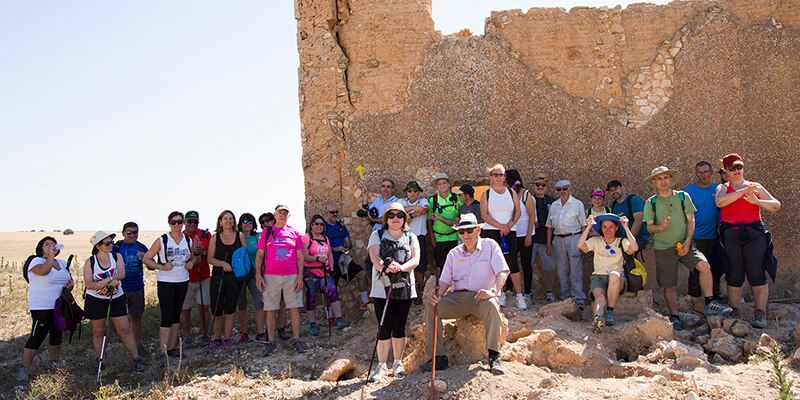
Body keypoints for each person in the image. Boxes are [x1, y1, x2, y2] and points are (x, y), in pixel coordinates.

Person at [643, 166, 732, 331]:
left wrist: (687, 242)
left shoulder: (683, 197)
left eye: (666, 177)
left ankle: (709, 303)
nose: (663, 181)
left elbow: (691, 221)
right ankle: (675, 317)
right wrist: (659, 227)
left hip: (685, 244)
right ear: (654, 182)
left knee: (704, 266)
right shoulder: (651, 202)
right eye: (659, 178)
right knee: (669, 285)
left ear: (671, 179)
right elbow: (649, 227)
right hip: (663, 249)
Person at [421, 213, 509, 374]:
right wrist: (438, 294)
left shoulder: (490, 246)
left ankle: (494, 357)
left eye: (469, 230)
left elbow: (503, 271)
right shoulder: (453, 253)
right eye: (462, 231)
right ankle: (438, 357)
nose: (465, 235)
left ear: (478, 230)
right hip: (458, 298)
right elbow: (445, 280)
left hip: (481, 297)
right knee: (432, 306)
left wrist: (493, 291)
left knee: (491, 305)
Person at [715, 154, 781, 328]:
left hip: (754, 232)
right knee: (734, 272)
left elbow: (776, 205)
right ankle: (734, 311)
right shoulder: (723, 188)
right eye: (732, 168)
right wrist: (743, 192)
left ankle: (760, 313)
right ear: (726, 171)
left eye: (739, 167)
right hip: (731, 234)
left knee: (756, 272)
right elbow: (720, 202)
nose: (737, 171)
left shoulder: (755, 186)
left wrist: (757, 201)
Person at [366, 202, 420, 381]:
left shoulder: (411, 237)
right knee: (384, 326)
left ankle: (397, 363)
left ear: (404, 218)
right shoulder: (377, 235)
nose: (395, 218)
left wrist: (401, 268)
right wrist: (385, 267)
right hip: (382, 288)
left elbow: (416, 259)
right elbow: (374, 256)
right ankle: (381, 365)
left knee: (399, 326)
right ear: (386, 219)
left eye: (399, 215)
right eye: (391, 215)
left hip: (404, 288)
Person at [84, 231, 146, 370]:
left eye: (111, 242)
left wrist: (109, 280)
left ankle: (136, 359)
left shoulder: (117, 256)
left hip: (116, 297)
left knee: (124, 329)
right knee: (98, 332)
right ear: (98, 246)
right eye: (107, 243)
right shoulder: (90, 262)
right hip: (96, 300)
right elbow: (88, 284)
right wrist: (107, 282)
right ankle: (101, 361)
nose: (110, 245)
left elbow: (122, 274)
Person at [17, 237, 76, 381]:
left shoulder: (62, 263)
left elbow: (68, 280)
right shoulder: (36, 261)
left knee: (56, 334)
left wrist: (70, 286)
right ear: (40, 249)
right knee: (38, 335)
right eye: (47, 244)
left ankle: (54, 363)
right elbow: (43, 271)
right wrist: (50, 256)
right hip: (41, 306)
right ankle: (25, 368)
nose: (51, 246)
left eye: (53, 244)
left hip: (59, 306)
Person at [255, 205, 307, 355]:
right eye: (280, 213)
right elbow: (259, 255)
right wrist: (258, 275)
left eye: (285, 213)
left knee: (294, 307)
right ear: (275, 215)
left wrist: (300, 276)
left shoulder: (294, 233)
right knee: (270, 308)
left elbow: (300, 256)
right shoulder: (267, 232)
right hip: (271, 276)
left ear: (288, 216)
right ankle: (271, 341)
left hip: (292, 276)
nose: (283, 215)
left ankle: (296, 339)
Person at [143, 212, 194, 359]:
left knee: (176, 315)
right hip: (166, 281)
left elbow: (192, 258)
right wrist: (161, 267)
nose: (177, 225)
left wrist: (191, 263)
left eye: (179, 222)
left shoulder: (188, 240)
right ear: (169, 223)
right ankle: (163, 352)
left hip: (182, 280)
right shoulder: (162, 240)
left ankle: (171, 348)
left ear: (183, 223)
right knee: (167, 315)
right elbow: (146, 259)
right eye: (173, 222)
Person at [577, 214, 638, 332]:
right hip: (598, 277)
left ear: (616, 228)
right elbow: (580, 245)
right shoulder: (596, 241)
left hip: (617, 279)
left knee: (614, 275)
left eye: (611, 227)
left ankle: (609, 312)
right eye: (604, 227)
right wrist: (589, 226)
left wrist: (626, 227)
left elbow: (634, 248)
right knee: (600, 298)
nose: (608, 230)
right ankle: (598, 319)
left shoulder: (621, 241)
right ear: (601, 228)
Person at [480, 164, 522, 308]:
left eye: (502, 174)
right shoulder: (486, 194)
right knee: (494, 263)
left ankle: (519, 295)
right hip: (491, 231)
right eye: (496, 175)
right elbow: (484, 214)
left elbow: (518, 212)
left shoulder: (511, 192)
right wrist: (500, 226)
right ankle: (500, 293)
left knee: (512, 262)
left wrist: (509, 225)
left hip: (509, 231)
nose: (499, 177)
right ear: (491, 177)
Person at [684, 161, 724, 302]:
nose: (703, 175)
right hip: (695, 237)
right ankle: (694, 297)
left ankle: (714, 295)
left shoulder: (718, 190)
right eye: (700, 172)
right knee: (697, 268)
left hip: (715, 237)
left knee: (715, 268)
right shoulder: (688, 191)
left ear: (711, 172)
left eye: (706, 171)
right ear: (696, 174)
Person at [206, 210, 246, 348]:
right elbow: (210, 258)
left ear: (234, 221)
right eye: (225, 218)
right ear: (220, 221)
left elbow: (244, 255)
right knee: (217, 309)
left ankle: (228, 338)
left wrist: (239, 267)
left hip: (235, 278)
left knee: (230, 308)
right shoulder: (215, 237)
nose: (228, 221)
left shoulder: (240, 236)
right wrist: (223, 264)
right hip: (218, 277)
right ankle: (217, 338)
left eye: (231, 218)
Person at [546, 179, 588, 307]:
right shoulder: (554, 205)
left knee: (576, 270)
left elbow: (584, 225)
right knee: (561, 270)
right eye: (559, 189)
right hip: (558, 239)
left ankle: (578, 299)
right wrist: (548, 244)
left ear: (570, 189)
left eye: (564, 189)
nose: (562, 191)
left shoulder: (578, 204)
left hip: (574, 238)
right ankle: (566, 298)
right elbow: (549, 227)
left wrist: (584, 243)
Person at [302, 214, 345, 335]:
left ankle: (339, 320)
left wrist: (331, 268)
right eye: (316, 224)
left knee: (332, 292)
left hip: (324, 272)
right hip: (311, 273)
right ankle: (312, 324)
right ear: (312, 225)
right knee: (311, 297)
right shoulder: (306, 238)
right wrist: (317, 259)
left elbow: (329, 254)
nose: (319, 226)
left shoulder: (325, 238)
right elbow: (304, 255)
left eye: (321, 224)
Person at [324, 204, 369, 309]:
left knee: (362, 274)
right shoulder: (323, 226)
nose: (335, 214)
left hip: (344, 259)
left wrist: (347, 246)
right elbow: (321, 245)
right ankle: (329, 314)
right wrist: (336, 249)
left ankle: (364, 301)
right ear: (326, 213)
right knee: (329, 288)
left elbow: (348, 241)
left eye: (336, 212)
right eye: (332, 212)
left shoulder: (340, 225)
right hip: (331, 261)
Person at [114, 222, 147, 352]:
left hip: (137, 287)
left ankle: (137, 345)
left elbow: (151, 266)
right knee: (113, 319)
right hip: (119, 288)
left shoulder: (141, 247)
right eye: (129, 232)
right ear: (123, 233)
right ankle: (109, 347)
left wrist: (145, 258)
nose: (132, 235)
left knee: (136, 317)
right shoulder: (116, 247)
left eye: (135, 232)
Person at [180, 211, 211, 345]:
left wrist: (202, 252)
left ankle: (204, 334)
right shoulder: (180, 236)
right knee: (185, 309)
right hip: (186, 278)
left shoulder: (205, 235)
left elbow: (212, 254)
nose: (192, 224)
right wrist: (192, 254)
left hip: (203, 277)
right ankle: (187, 335)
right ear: (185, 222)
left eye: (195, 221)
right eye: (190, 221)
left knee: (204, 307)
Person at [506, 169, 536, 304]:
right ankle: (509, 290)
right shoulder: (507, 193)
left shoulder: (525, 194)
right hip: (512, 234)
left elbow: (532, 216)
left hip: (525, 234)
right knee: (510, 263)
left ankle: (528, 292)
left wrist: (529, 235)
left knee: (526, 264)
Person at [237, 213, 266, 342]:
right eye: (245, 221)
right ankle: (244, 332)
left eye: (250, 222)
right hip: (240, 274)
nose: (247, 224)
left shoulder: (257, 236)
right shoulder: (236, 237)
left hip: (255, 273)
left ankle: (260, 332)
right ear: (240, 223)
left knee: (259, 301)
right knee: (241, 304)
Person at [259, 212, 288, 338]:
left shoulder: (282, 233)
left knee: (282, 303)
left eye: (269, 219)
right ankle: (269, 331)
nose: (266, 223)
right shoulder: (263, 236)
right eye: (263, 222)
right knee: (269, 305)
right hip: (268, 274)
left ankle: (282, 328)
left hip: (283, 273)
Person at [399, 180, 429, 302]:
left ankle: (420, 292)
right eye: (409, 191)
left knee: (420, 268)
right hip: (405, 238)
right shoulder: (401, 202)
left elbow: (424, 210)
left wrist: (409, 215)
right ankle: (409, 293)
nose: (412, 193)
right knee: (405, 266)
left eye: (415, 191)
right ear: (406, 192)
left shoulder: (423, 201)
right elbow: (398, 211)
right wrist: (414, 208)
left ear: (418, 192)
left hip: (419, 238)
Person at [530, 173, 559, 303]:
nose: (540, 187)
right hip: (530, 239)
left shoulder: (552, 202)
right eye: (538, 184)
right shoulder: (528, 200)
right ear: (533, 186)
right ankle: (528, 292)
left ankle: (550, 292)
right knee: (528, 266)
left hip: (546, 240)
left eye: (543, 185)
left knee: (549, 267)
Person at [427, 173, 462, 275]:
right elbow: (429, 220)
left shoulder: (457, 198)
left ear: (449, 184)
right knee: (440, 265)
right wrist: (432, 236)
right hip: (439, 238)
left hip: (454, 237)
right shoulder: (433, 200)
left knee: (455, 265)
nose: (442, 186)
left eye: (444, 183)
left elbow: (462, 212)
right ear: (437, 186)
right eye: (439, 184)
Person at [607, 180, 649, 259]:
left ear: (622, 188)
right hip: (622, 239)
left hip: (638, 237)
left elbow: (638, 220)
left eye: (616, 189)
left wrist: (629, 239)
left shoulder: (633, 200)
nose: (614, 192)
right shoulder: (614, 205)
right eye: (611, 190)